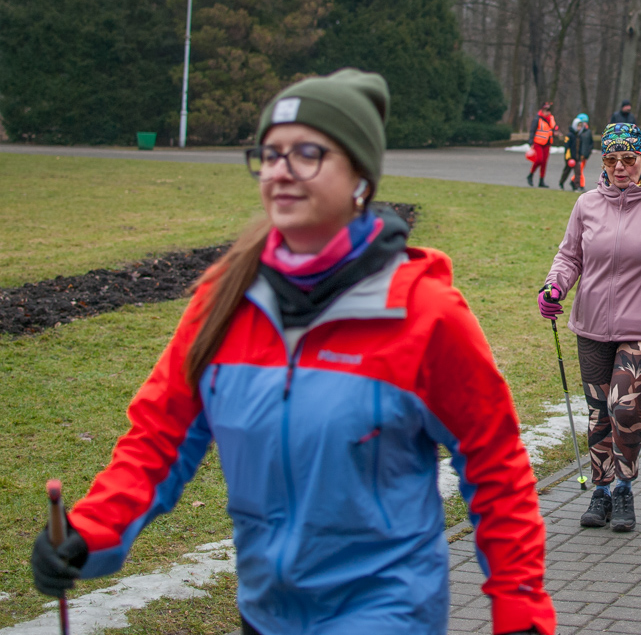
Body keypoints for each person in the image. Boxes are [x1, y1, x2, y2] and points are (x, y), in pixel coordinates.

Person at [30, 70, 556, 635]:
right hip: (265, 614)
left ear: (360, 175)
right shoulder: (222, 300)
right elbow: (159, 437)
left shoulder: (425, 312)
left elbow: (494, 462)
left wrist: (519, 602)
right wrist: (93, 529)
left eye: (307, 153)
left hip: (384, 613)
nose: (280, 170)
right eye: (271, 154)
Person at [539, 122, 641, 533]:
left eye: (629, 158)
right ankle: (602, 489)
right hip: (591, 324)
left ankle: (625, 486)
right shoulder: (586, 204)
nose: (620, 167)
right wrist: (554, 285)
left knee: (623, 407)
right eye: (611, 159)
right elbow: (569, 256)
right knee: (598, 413)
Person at [528, 101, 559, 188]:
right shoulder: (537, 118)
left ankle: (541, 180)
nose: (547, 112)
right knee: (539, 160)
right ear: (542, 110)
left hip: (547, 143)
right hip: (538, 142)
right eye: (546, 110)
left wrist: (555, 132)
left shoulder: (551, 118)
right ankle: (531, 174)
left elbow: (553, 128)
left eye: (549, 110)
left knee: (544, 163)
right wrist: (531, 142)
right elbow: (532, 130)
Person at [559, 113, 593, 192]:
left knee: (578, 172)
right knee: (566, 172)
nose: (579, 128)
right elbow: (567, 147)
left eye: (580, 126)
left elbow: (580, 147)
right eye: (578, 126)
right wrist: (568, 158)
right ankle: (561, 183)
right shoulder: (570, 135)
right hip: (570, 158)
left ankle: (576, 186)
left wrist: (580, 156)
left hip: (577, 158)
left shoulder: (579, 136)